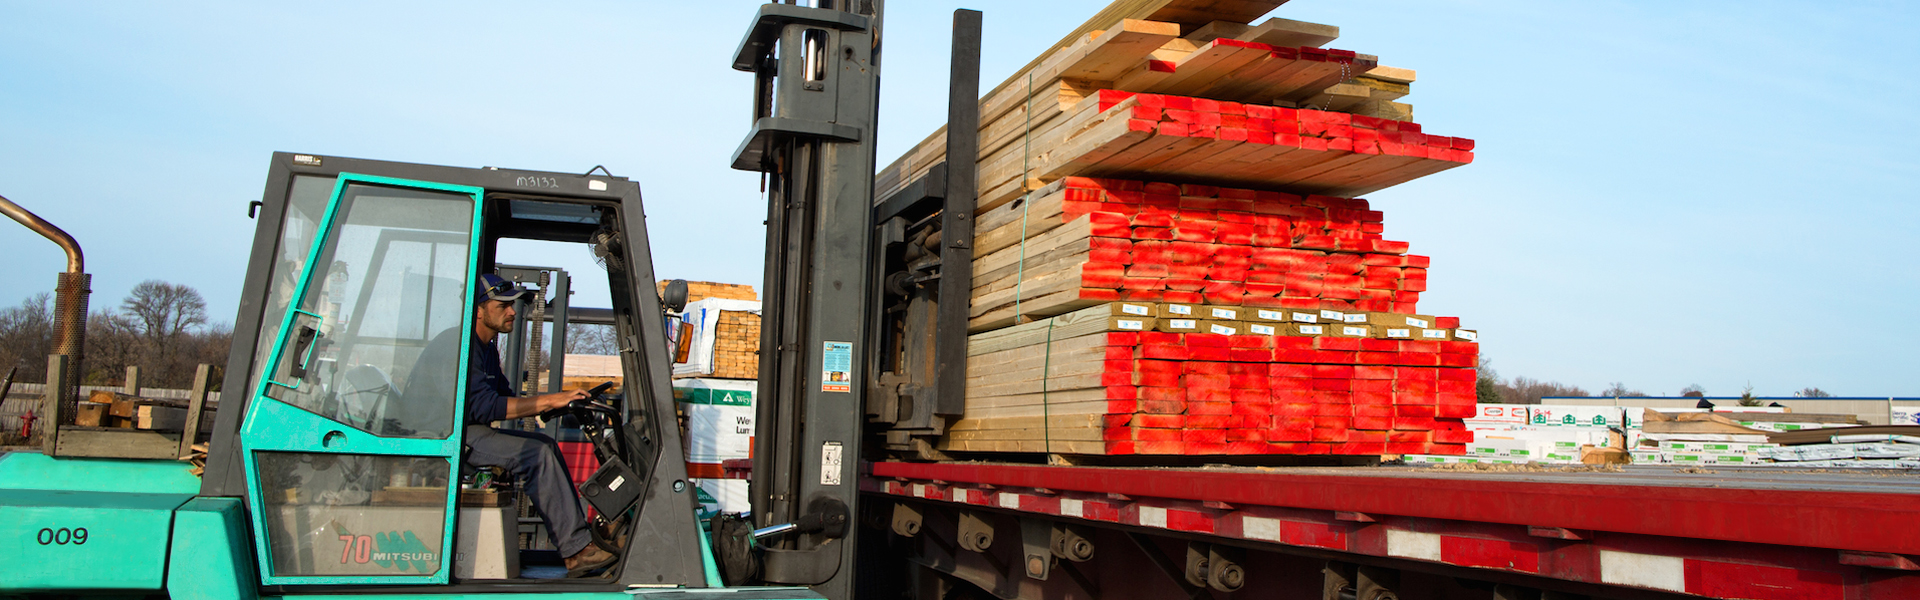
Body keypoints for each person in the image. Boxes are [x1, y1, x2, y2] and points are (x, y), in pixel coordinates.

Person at [416, 273, 617, 577]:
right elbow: (484, 407)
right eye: (504, 305)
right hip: (441, 438)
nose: (512, 312)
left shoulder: (486, 348)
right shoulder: (460, 345)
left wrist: (558, 403)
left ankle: (583, 539)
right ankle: (576, 551)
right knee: (537, 455)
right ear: (479, 309)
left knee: (544, 445)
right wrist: (550, 400)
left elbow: (505, 398)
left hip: (463, 432)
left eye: (514, 305)